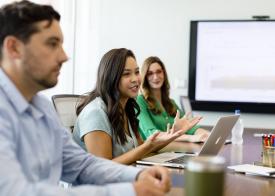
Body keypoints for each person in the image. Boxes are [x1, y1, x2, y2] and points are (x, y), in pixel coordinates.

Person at [0, 1, 171, 195]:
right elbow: (15, 191)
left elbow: (81, 165)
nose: (64, 56)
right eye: (52, 44)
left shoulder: (42, 107)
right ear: (14, 48)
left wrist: (137, 176)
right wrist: (130, 190)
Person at [73, 48, 201, 165]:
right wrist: (148, 146)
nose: (135, 79)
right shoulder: (95, 113)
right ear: (110, 78)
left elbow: (141, 149)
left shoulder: (126, 108)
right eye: (126, 74)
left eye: (137, 72)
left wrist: (172, 135)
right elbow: (102, 168)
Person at [137, 56, 210, 142]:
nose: (156, 77)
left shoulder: (171, 103)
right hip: (154, 153)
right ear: (144, 77)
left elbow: (190, 128)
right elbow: (151, 134)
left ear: (164, 74)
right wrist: (190, 138)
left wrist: (208, 135)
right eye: (150, 73)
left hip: (173, 150)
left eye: (159, 72)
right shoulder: (140, 101)